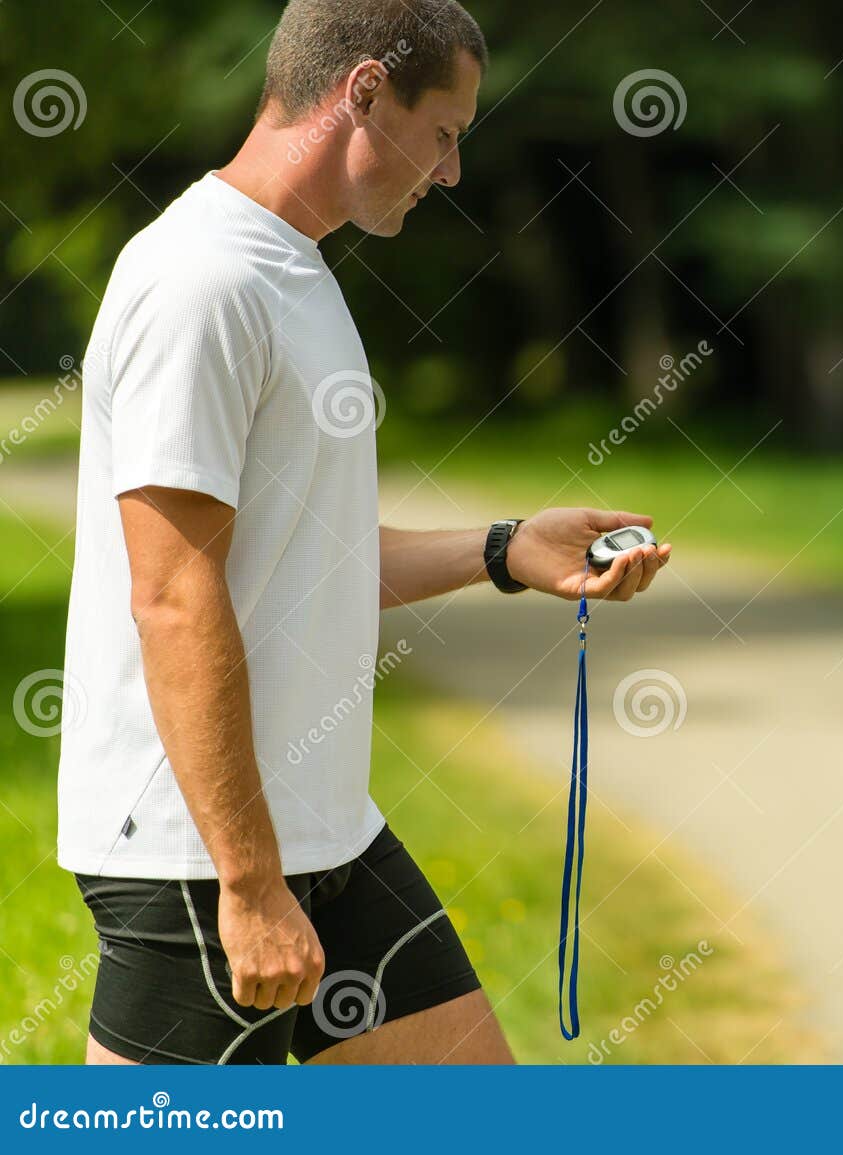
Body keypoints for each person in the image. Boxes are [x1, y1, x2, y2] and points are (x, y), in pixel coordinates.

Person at [57, 0, 671, 1066]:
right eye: (447, 134)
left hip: (325, 829)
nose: (453, 173)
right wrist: (249, 887)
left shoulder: (292, 270)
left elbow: (310, 557)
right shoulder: (204, 282)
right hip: (198, 857)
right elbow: (171, 595)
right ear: (366, 92)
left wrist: (505, 548)